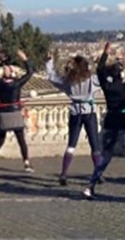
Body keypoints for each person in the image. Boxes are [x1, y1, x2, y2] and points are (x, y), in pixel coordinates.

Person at [85, 42, 125, 200]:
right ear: (122, 75)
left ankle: (91, 186)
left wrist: (105, 53)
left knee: (105, 157)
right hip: (123, 123)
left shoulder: (107, 86)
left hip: (109, 122)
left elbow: (99, 70)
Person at [45, 50, 104, 187]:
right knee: (95, 144)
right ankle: (98, 173)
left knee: (71, 144)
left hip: (75, 112)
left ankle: (64, 173)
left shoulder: (68, 81)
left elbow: (52, 77)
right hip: (89, 112)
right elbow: (104, 76)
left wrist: (49, 62)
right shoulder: (92, 80)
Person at [0, 49, 32, 172]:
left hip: (4, 113)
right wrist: (24, 59)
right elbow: (30, 72)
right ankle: (26, 163)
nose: (6, 68)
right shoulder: (17, 83)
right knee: (21, 140)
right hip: (15, 112)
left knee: (0, 140)